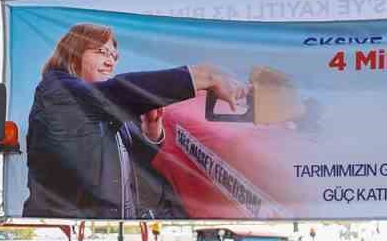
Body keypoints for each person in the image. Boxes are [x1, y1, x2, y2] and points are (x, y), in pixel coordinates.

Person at [23, 23, 246, 219]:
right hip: (65, 235)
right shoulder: (56, 90)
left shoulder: (101, 108)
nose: (110, 61)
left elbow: (134, 166)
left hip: (108, 235)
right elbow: (118, 91)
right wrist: (204, 76)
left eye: (114, 56)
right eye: (102, 52)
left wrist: (151, 133)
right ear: (73, 53)